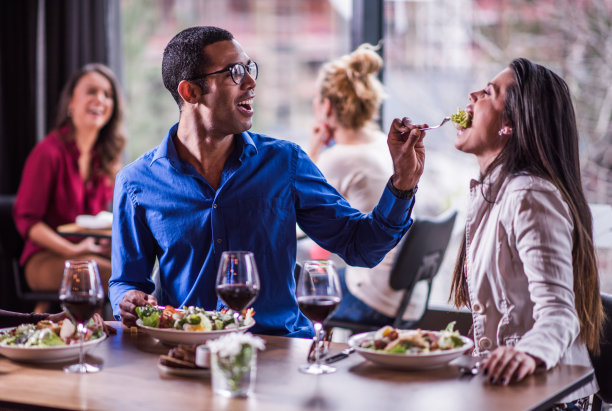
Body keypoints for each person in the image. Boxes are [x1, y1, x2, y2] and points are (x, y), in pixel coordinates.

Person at [109, 26, 427, 337]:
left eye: (249, 69)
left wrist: (402, 184)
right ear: (190, 91)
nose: (250, 82)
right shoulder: (136, 183)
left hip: (278, 348)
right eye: (234, 72)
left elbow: (362, 248)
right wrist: (126, 299)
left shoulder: (285, 163)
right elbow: (126, 281)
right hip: (185, 353)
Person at [449, 58, 603, 407]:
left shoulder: (528, 194)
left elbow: (560, 312)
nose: (472, 95)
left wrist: (527, 354)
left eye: (489, 92)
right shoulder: (494, 191)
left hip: (548, 399)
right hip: (512, 391)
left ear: (510, 124)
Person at [305, 43, 426, 327]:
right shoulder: (382, 145)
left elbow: (296, 209)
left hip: (372, 298)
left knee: (292, 288)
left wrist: (312, 152)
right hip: (407, 297)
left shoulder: (339, 158)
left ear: (326, 106)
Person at [13, 63, 126, 313]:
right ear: (70, 104)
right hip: (44, 259)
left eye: (107, 94)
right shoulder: (48, 152)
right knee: (108, 275)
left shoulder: (104, 159)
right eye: (92, 91)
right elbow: (28, 221)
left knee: (133, 268)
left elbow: (95, 221)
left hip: (85, 253)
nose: (101, 98)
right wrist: (73, 249)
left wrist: (103, 244)